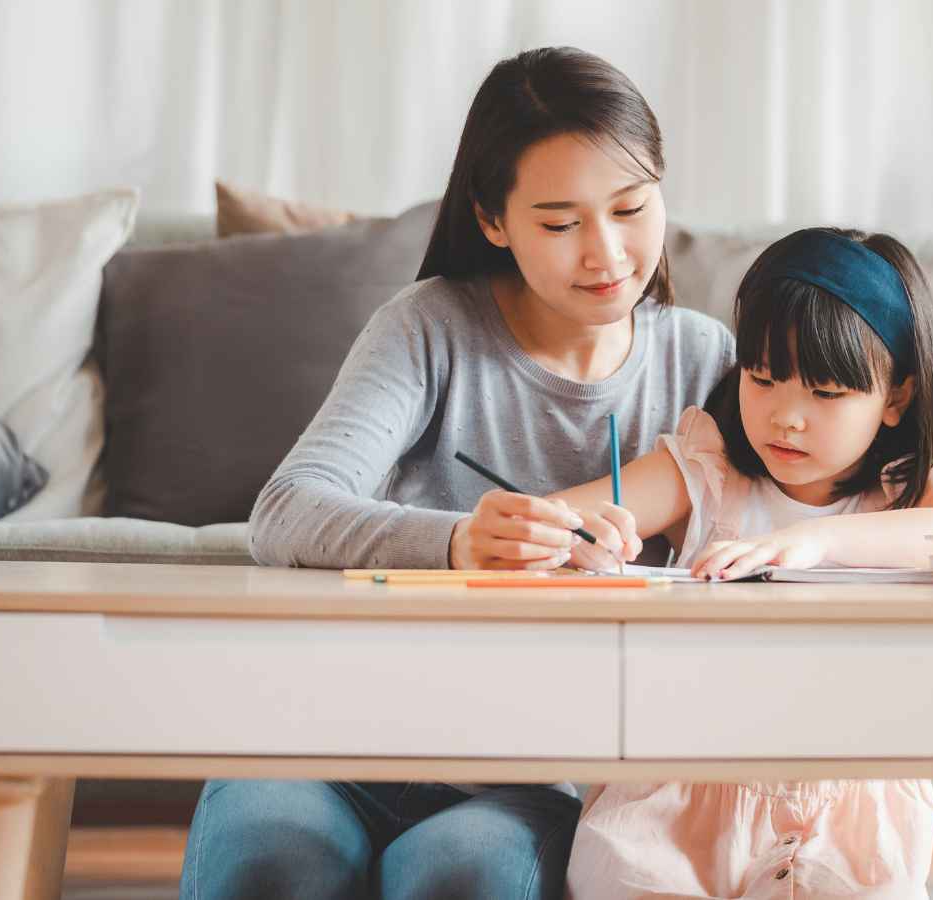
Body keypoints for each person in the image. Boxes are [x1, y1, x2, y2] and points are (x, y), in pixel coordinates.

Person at [179, 46, 733, 900]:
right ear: (492, 220)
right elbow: (285, 511)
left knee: (468, 878)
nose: (608, 253)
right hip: (321, 743)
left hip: (525, 775)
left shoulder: (705, 361)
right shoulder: (428, 328)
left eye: (631, 207)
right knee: (271, 863)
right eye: (560, 223)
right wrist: (458, 543)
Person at [555, 227, 933, 899]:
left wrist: (815, 547)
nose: (786, 418)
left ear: (897, 397)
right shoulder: (708, 469)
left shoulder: (912, 484)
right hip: (674, 796)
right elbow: (550, 520)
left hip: (849, 811)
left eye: (825, 393)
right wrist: (575, 541)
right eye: (763, 379)